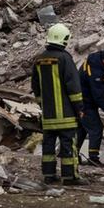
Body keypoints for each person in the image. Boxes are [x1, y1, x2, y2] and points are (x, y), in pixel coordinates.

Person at [32, 23, 86, 185]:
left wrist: (43, 106)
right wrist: (79, 107)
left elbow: (35, 86)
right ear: (64, 39)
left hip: (48, 115)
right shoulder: (65, 58)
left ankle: (49, 175)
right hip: (66, 115)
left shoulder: (39, 59)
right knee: (68, 145)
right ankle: (70, 177)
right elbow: (73, 86)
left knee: (48, 145)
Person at [77, 47, 104, 165]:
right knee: (96, 128)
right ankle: (93, 157)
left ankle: (72, 154)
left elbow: (101, 89)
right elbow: (98, 95)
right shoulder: (95, 71)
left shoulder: (100, 64)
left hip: (85, 101)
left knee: (82, 128)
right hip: (85, 103)